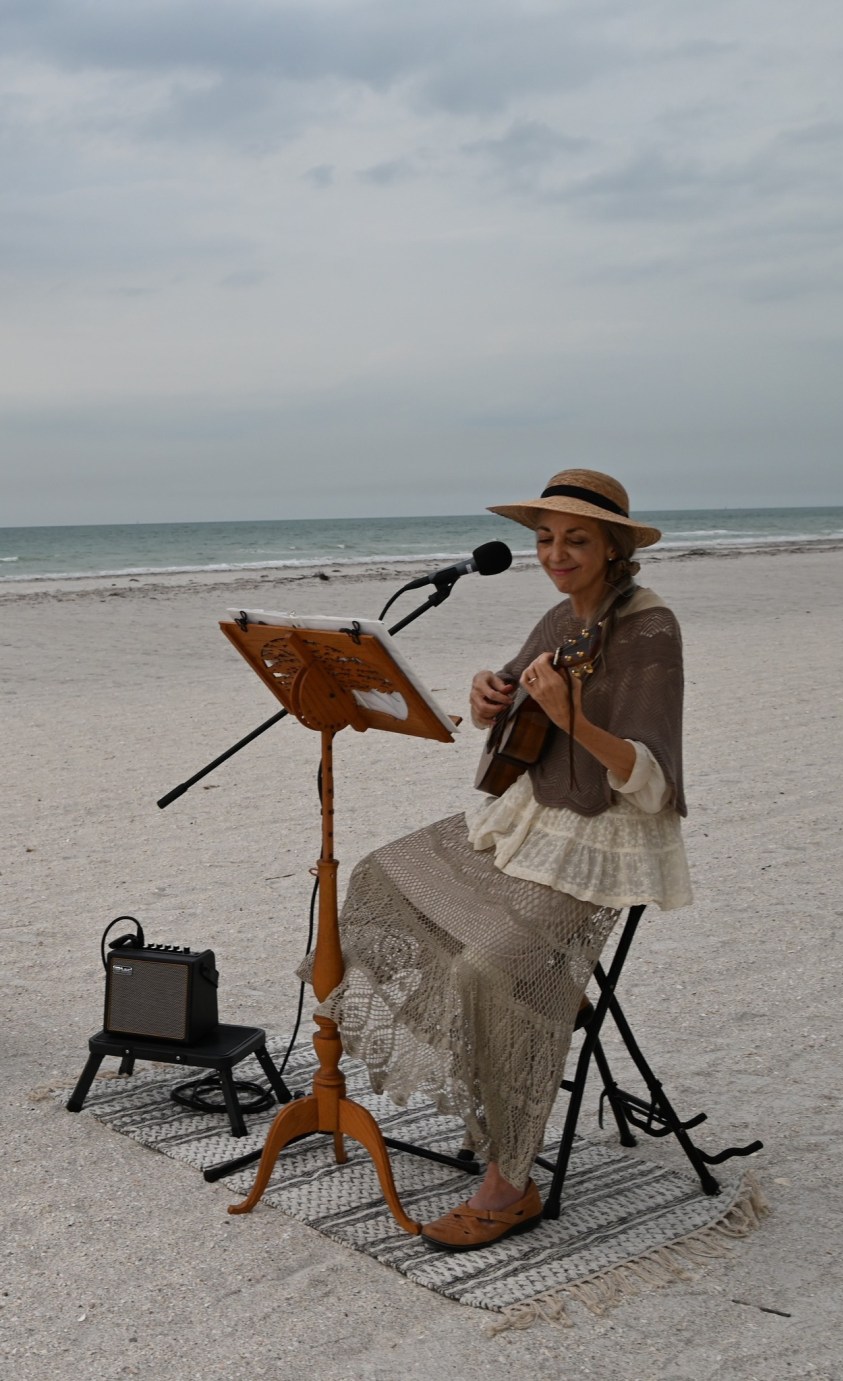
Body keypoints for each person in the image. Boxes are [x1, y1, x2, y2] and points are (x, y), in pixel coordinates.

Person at [309, 468, 692, 1251]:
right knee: (383, 873)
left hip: (603, 839)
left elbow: (651, 780)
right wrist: (491, 696)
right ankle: (535, 1007)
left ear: (615, 547)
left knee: (486, 970)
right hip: (533, 815)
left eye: (577, 539)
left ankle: (510, 1180)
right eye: (546, 537)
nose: (556, 552)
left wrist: (573, 717)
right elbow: (513, 708)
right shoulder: (559, 615)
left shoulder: (652, 628)